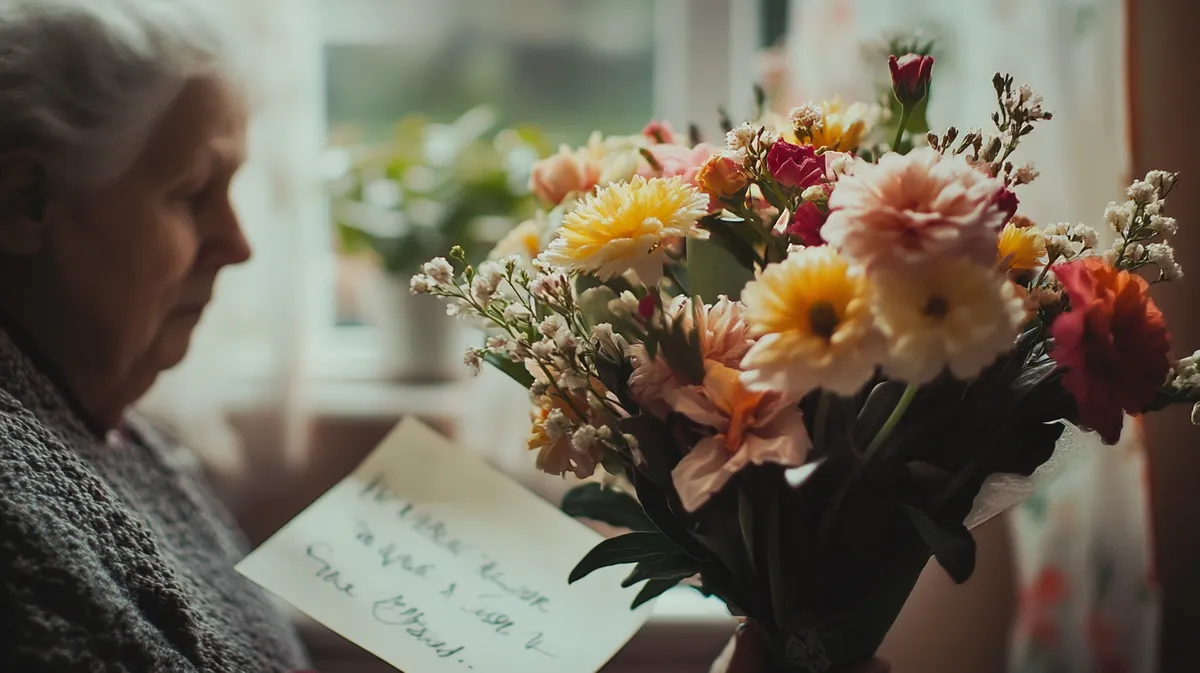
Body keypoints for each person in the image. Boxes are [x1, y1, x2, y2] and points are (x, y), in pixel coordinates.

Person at [0, 1, 311, 670]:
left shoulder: (117, 430)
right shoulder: (15, 521)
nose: (237, 244)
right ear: (26, 201)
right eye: (193, 192)